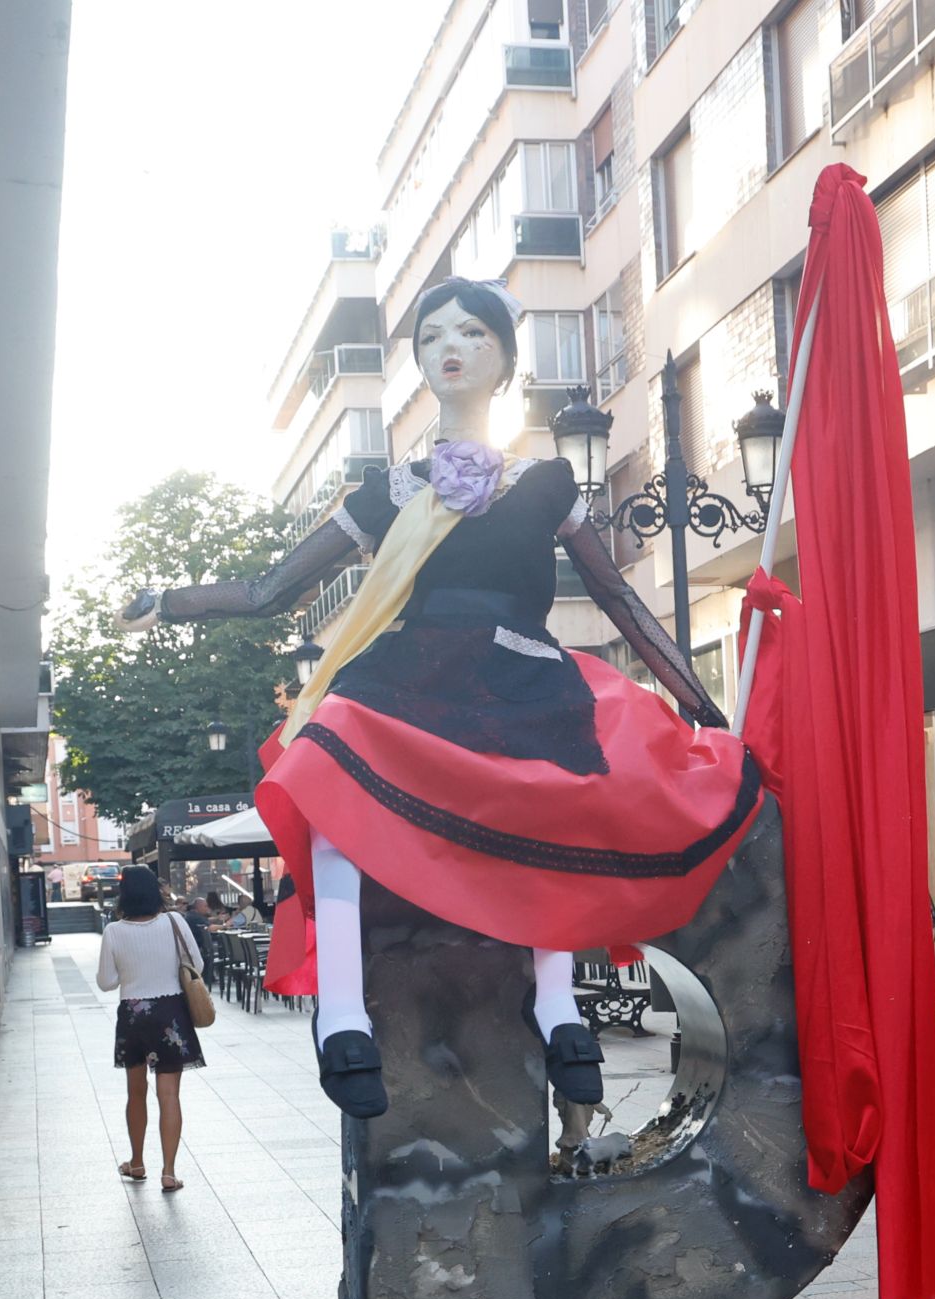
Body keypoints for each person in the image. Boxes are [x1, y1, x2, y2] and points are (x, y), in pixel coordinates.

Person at [118, 276, 760, 1122]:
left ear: (503, 359)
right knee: (331, 780)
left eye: (470, 333)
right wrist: (169, 601)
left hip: (527, 671)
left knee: (552, 814)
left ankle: (559, 1003)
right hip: (415, 671)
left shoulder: (548, 485)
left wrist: (706, 709)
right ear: (420, 363)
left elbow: (621, 602)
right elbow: (274, 589)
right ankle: (341, 1014)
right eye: (431, 338)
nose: (448, 348)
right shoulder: (390, 490)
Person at [96, 864, 207, 1194]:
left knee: (135, 1091)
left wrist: (130, 973)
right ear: (156, 891)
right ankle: (169, 1172)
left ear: (124, 894)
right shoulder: (175, 922)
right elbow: (196, 965)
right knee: (169, 1093)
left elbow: (106, 981)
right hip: (171, 1011)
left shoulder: (114, 931)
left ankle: (137, 1161)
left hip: (133, 1014)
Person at [179, 894, 215, 990]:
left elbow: (208, 921)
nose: (207, 908)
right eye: (205, 906)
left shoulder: (192, 915)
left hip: (199, 948)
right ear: (198, 907)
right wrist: (226, 925)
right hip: (200, 948)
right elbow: (210, 928)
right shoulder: (196, 917)